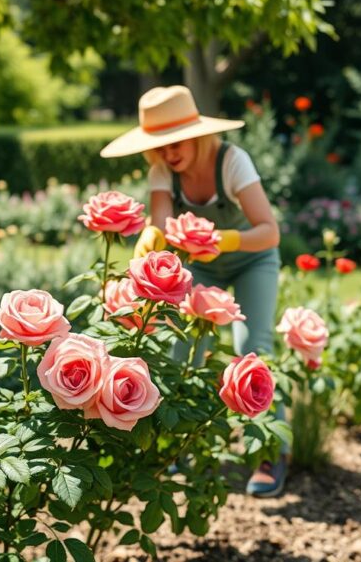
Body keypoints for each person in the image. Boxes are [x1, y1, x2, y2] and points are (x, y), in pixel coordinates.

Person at [99, 85, 287, 497]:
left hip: (252, 260)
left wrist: (219, 239)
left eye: (177, 140)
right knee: (182, 351)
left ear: (199, 133)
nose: (169, 152)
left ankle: (270, 453)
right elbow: (164, 224)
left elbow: (269, 232)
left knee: (252, 347)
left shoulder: (232, 162)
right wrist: (150, 236)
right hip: (202, 270)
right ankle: (179, 449)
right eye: (160, 145)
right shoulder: (163, 173)